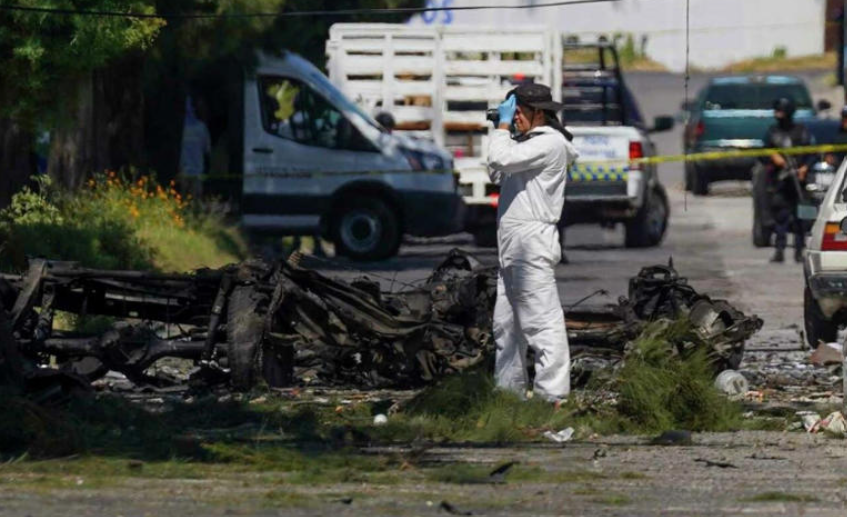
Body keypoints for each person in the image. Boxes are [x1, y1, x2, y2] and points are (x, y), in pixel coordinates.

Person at [487, 83, 579, 403]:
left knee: (541, 322)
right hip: (512, 242)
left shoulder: (550, 144)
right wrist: (506, 132)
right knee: (506, 327)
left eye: (518, 113)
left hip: (530, 242)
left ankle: (552, 396)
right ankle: (509, 394)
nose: (515, 119)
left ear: (538, 113)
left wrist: (501, 128)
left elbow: (500, 158)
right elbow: (496, 171)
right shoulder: (526, 145)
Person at [763, 97, 813, 263]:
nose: (778, 114)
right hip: (781, 181)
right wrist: (774, 157)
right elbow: (764, 152)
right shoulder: (773, 131)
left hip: (799, 181)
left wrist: (804, 168)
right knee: (781, 217)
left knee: (801, 217)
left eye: (781, 111)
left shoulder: (801, 130)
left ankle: (799, 251)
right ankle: (779, 250)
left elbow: (811, 152)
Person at [179, 96, 212, 199]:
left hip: (183, 170)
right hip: (197, 171)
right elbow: (207, 150)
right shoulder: (202, 128)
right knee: (195, 200)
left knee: (183, 201)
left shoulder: (181, 128)